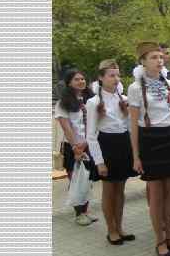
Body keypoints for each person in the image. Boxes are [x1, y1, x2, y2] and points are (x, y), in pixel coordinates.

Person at [127, 41, 170, 256]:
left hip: (169, 138)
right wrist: (135, 156)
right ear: (142, 62)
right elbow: (133, 124)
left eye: (161, 57)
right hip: (149, 139)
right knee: (156, 194)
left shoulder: (169, 84)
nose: (159, 60)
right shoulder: (135, 88)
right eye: (154, 57)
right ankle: (160, 240)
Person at [86, 60, 137, 244]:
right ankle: (111, 229)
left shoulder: (123, 99)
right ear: (101, 78)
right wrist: (99, 161)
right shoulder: (94, 102)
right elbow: (91, 135)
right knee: (109, 190)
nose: (116, 78)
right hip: (106, 145)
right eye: (111, 75)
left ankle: (120, 227)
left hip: (123, 144)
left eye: (118, 75)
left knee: (120, 190)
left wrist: (134, 152)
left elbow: (129, 127)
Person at [55, 69, 97, 226]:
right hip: (73, 146)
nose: (81, 81)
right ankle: (79, 214)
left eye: (82, 79)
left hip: (89, 145)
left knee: (88, 179)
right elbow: (66, 128)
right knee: (77, 181)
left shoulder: (90, 99)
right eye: (77, 79)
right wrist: (76, 148)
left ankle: (85, 212)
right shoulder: (63, 103)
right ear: (69, 83)